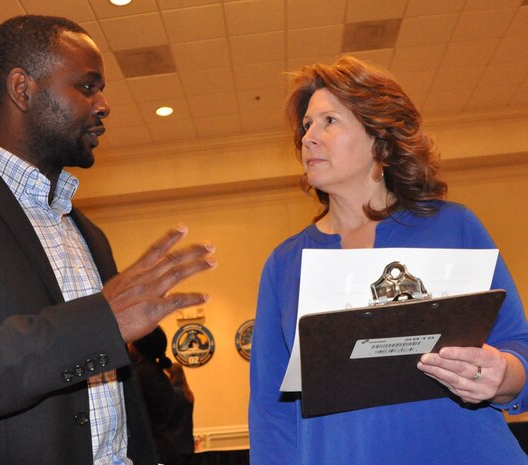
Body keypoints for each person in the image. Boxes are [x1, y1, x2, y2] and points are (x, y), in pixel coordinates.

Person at [0, 15, 216, 465]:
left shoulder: (89, 234)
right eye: (88, 87)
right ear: (22, 89)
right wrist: (96, 324)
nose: (104, 104)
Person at [248, 56, 528, 464]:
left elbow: (518, 347)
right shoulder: (284, 264)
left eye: (329, 121)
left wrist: (502, 375)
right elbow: (271, 414)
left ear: (379, 140)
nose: (309, 137)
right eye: (307, 125)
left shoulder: (454, 228)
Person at [129, 327, 180, 465]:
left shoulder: (137, 376)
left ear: (136, 346)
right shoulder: (161, 375)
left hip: (150, 452)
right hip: (165, 448)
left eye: (130, 342)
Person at [167, 363, 195, 465]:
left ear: (171, 375)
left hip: (174, 446)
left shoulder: (173, 393)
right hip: (187, 445)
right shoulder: (188, 394)